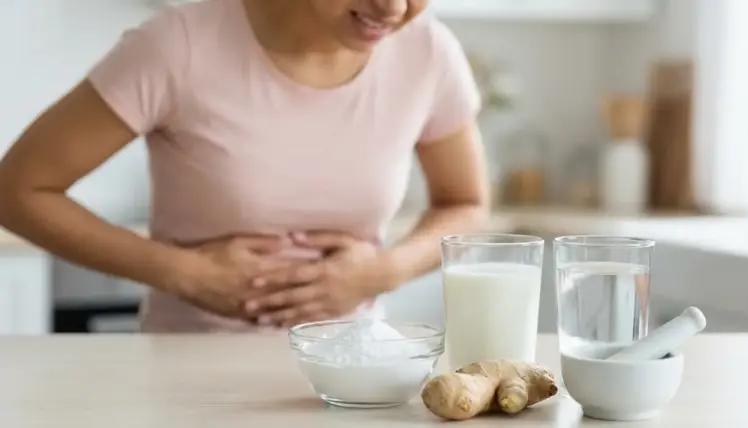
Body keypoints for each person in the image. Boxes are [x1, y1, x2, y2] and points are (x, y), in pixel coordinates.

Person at [0, 0, 489, 333]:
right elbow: (17, 191)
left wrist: (382, 272)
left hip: (354, 380)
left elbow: (466, 203)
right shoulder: (178, 45)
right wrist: (184, 273)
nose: (394, 9)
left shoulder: (428, 53)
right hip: (182, 383)